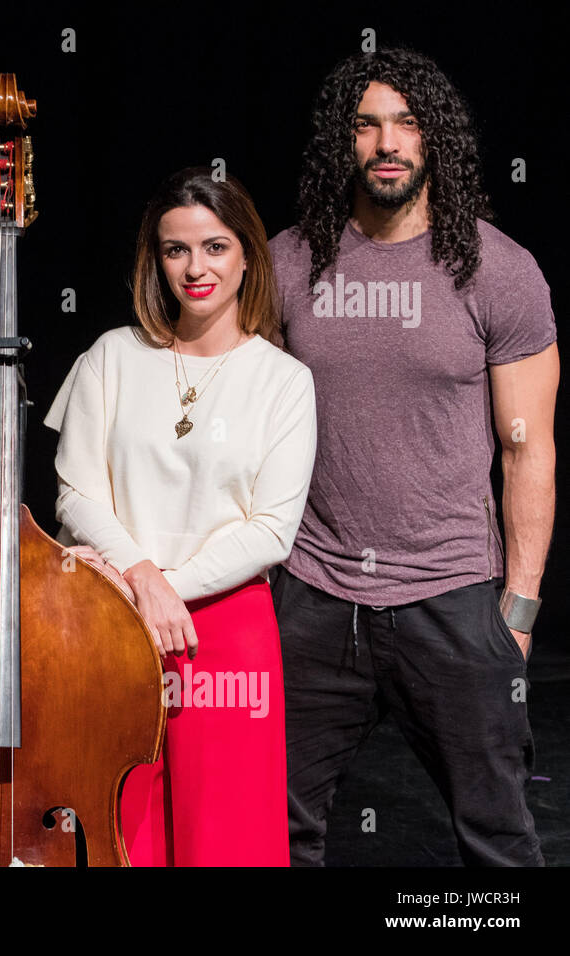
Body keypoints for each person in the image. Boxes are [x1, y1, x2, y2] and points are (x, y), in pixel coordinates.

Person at [270, 47, 557, 867]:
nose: (387, 141)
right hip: (316, 596)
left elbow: (527, 451)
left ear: (436, 137)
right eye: (366, 123)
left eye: (406, 121)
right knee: (280, 835)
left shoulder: (500, 271)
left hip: (455, 598)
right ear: (343, 141)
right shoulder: (291, 262)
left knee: (499, 841)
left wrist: (520, 612)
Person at [45, 167, 316, 866]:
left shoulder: (284, 381)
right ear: (154, 260)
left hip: (226, 634)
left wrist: (162, 588)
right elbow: (74, 492)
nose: (197, 268)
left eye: (216, 247)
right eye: (176, 250)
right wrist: (142, 582)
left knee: (225, 842)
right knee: (122, 833)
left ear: (247, 254)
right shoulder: (111, 356)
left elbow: (271, 530)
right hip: (111, 622)